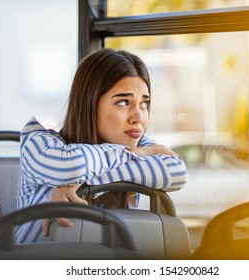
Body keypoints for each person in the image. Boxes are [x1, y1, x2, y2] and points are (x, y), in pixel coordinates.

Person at [16, 48, 188, 244]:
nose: (139, 118)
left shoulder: (137, 144)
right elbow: (71, 165)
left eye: (144, 104)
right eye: (123, 102)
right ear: (89, 104)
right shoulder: (38, 144)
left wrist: (84, 182)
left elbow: (178, 172)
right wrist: (134, 155)